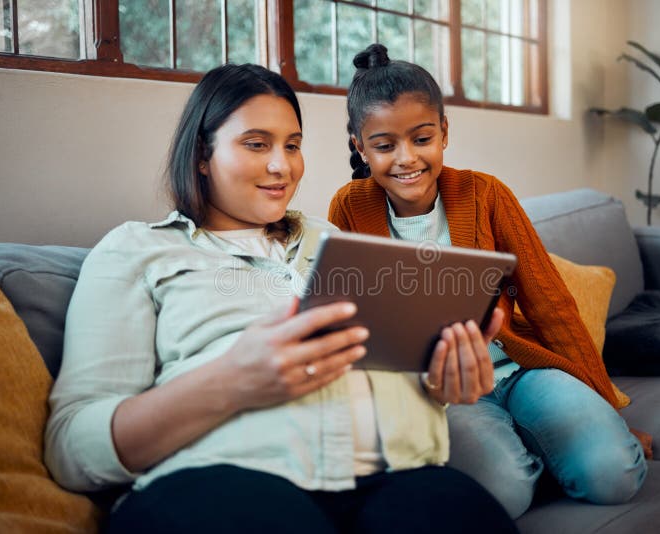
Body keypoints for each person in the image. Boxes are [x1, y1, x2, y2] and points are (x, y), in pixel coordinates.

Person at [44, 62, 518, 533]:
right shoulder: (137, 250)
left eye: (293, 145)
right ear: (202, 155)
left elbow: (394, 380)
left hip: (392, 478)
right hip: (223, 481)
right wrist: (231, 380)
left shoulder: (333, 240)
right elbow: (72, 448)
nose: (282, 165)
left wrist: (440, 383)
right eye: (257, 144)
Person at [329, 43, 649, 519]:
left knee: (615, 477)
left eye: (422, 138)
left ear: (444, 132)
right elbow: (357, 326)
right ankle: (530, 452)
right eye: (384, 145)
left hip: (521, 369)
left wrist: (606, 404)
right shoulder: (349, 208)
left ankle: (560, 440)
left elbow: (549, 304)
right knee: (504, 496)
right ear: (360, 146)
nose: (406, 158)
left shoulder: (485, 194)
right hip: (444, 390)